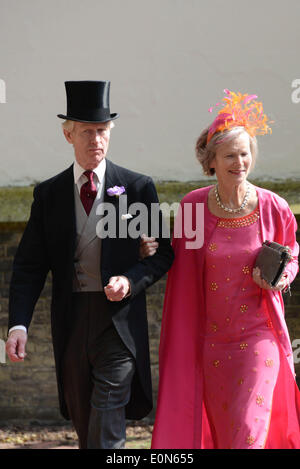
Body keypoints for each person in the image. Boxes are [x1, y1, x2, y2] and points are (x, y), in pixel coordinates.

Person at [6, 80, 174, 449]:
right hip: (71, 321)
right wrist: (18, 324)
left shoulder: (136, 187)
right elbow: (29, 267)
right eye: (87, 132)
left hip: (119, 324)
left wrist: (130, 281)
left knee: (108, 426)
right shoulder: (47, 195)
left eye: (102, 131)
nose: (96, 140)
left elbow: (163, 253)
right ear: (69, 136)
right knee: (87, 430)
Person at [151, 90, 300, 449]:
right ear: (211, 161)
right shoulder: (193, 207)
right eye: (230, 155)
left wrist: (280, 277)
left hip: (258, 339)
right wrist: (149, 248)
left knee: (248, 433)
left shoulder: (273, 206)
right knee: (224, 438)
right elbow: (179, 271)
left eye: (245, 153)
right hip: (212, 345)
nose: (240, 162)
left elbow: (292, 254)